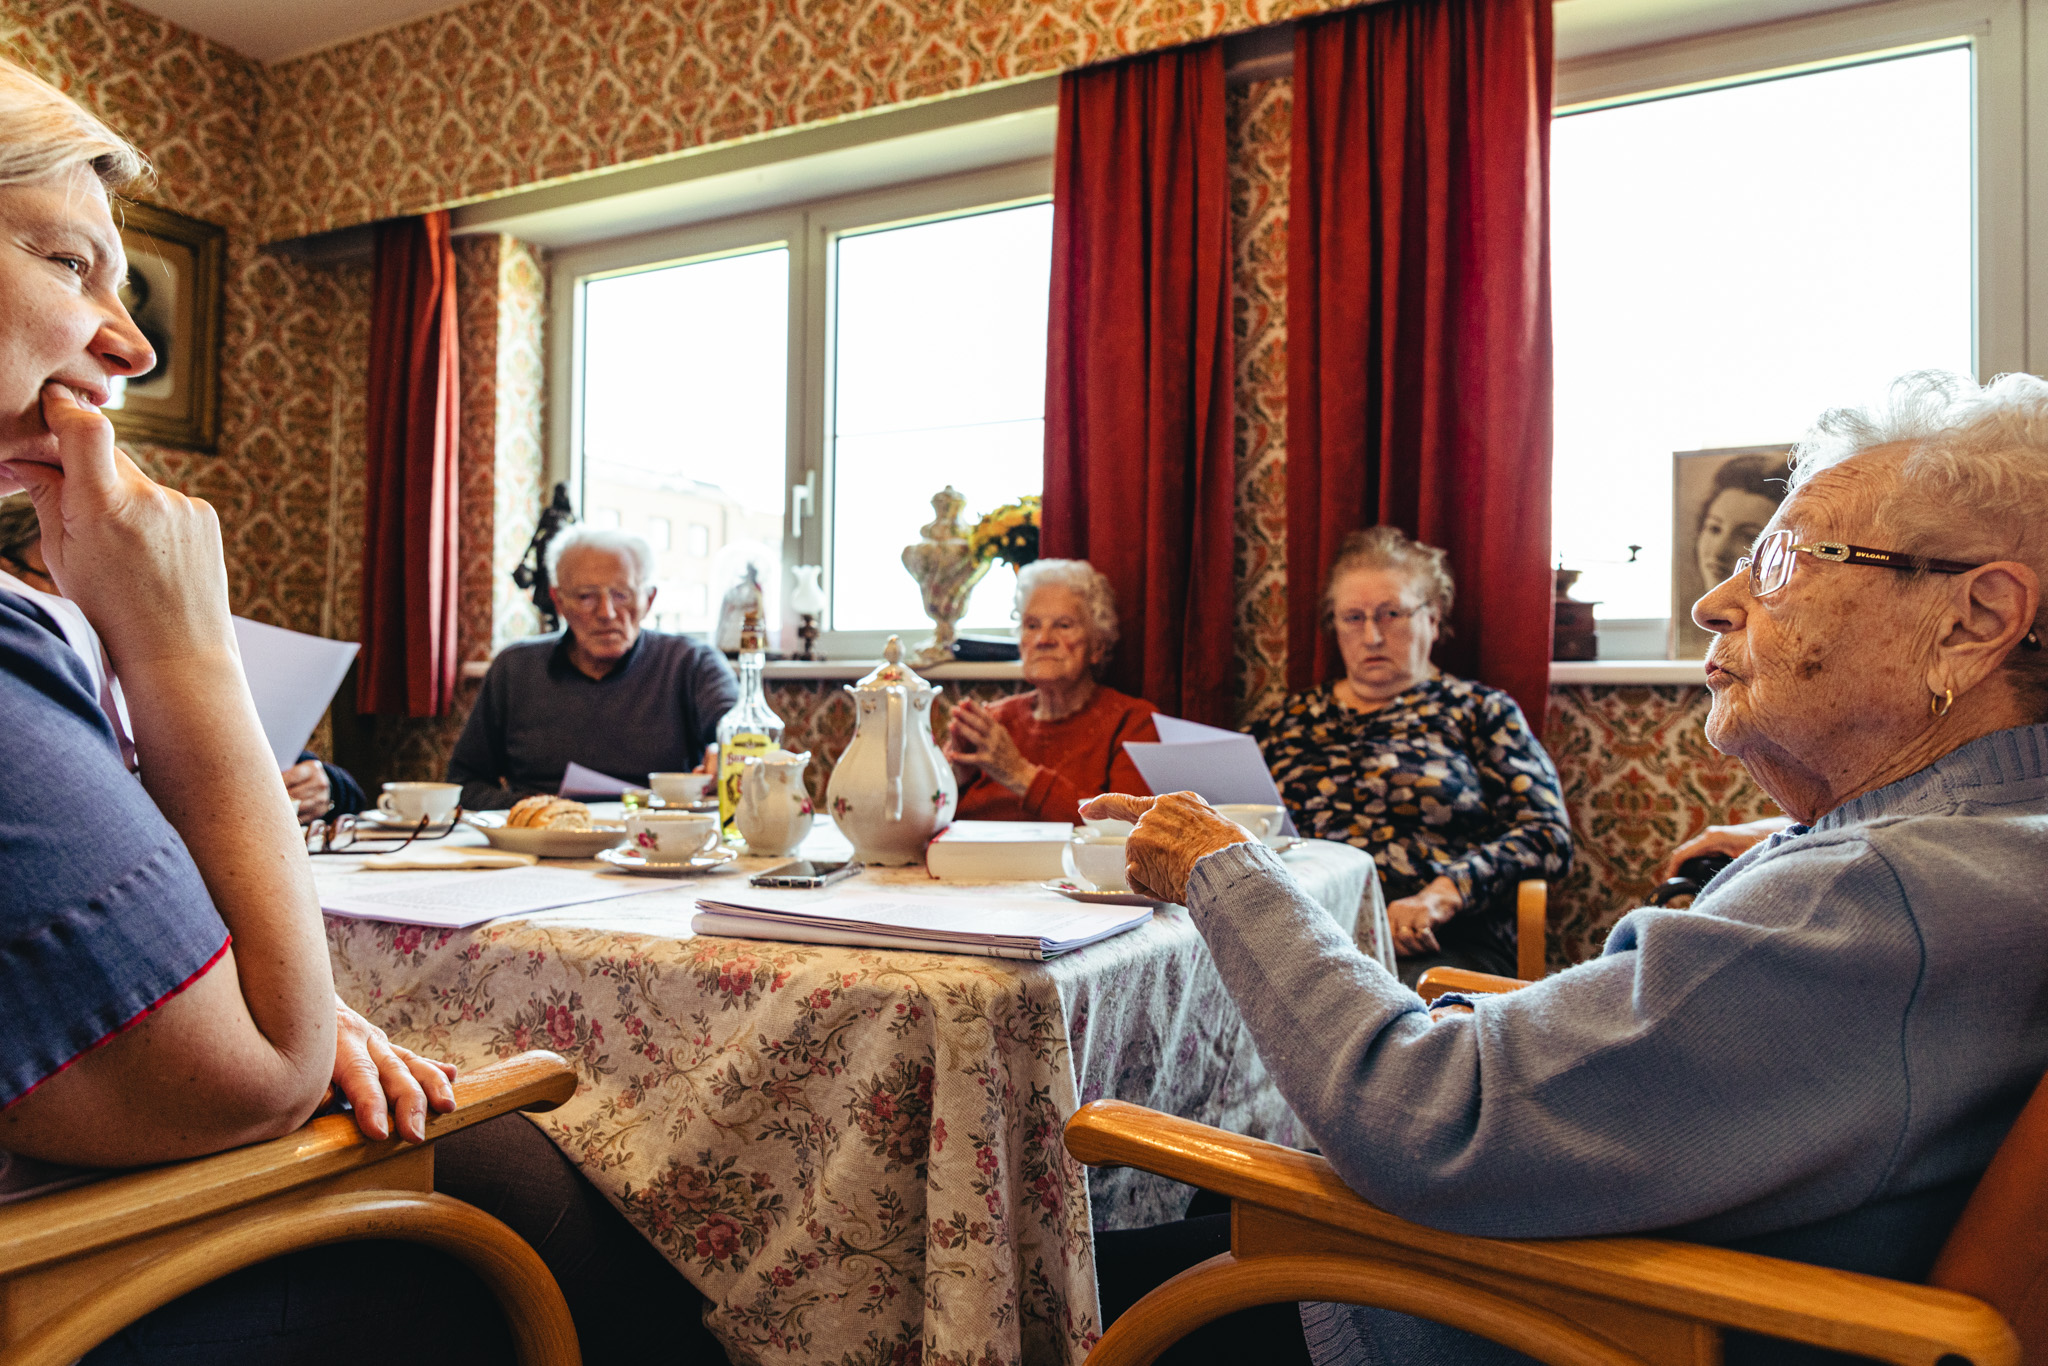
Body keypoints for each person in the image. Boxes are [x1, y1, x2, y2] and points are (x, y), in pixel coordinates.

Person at [1087, 369, 2048, 1366]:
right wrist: (1792, 833)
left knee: (1081, 1270)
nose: (1713, 600)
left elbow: (1420, 1117)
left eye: (1779, 559)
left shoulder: (1861, 898)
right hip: (1569, 1230)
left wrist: (1221, 867)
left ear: (1975, 619)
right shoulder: (1986, 843)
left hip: (1499, 1312)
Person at [0, 58, 717, 1363]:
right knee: (527, 1171)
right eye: (69, 262)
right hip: (69, 1291)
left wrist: (253, 1007)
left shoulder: (692, 667)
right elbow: (263, 1068)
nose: (134, 341)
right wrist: (183, 651)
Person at [1247, 527, 1572, 983]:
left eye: (1391, 614)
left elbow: (1547, 836)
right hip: (1302, 931)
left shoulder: (1480, 712)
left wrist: (1442, 895)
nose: (1373, 636)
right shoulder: (1286, 721)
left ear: (1433, 619)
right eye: (1353, 618)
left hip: (1434, 935)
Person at [0, 493, 365, 821]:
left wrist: (325, 786)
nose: (94, 599)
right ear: (7, 570)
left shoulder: (134, 644)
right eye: (63, 574)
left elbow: (322, 778)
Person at [447, 524, 735, 809]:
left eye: (621, 594)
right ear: (558, 601)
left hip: (656, 838)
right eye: (586, 596)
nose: (606, 613)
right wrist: (532, 809)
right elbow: (464, 783)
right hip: (540, 841)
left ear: (649, 599)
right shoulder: (515, 668)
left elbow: (743, 740)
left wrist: (727, 755)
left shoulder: (693, 663)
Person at [945, 557, 1160, 821]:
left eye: (1063, 625)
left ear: (1098, 646)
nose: (1043, 639)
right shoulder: (990, 723)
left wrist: (1017, 773)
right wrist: (952, 778)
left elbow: (1128, 830)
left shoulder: (1132, 723)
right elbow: (916, 823)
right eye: (1032, 625)